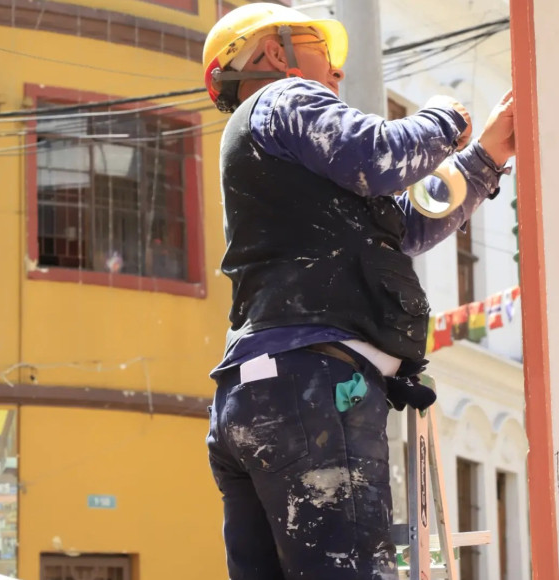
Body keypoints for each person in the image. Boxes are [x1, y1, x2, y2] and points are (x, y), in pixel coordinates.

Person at [202, 4, 515, 579]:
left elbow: (404, 225)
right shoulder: (286, 99)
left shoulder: (281, 154)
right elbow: (380, 156)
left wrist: (485, 160)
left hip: (254, 399)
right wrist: (447, 118)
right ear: (276, 52)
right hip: (311, 389)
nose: (337, 72)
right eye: (323, 52)